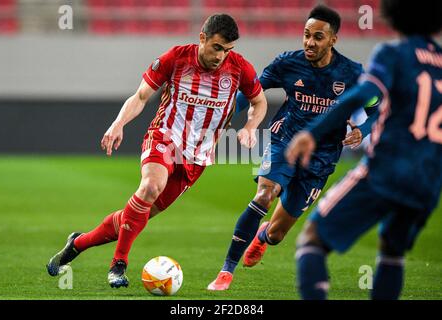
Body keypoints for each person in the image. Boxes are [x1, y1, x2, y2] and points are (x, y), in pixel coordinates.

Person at [46, 13, 268, 288]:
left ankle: (78, 243)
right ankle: (118, 265)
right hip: (164, 137)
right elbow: (141, 96)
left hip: (197, 157)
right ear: (203, 38)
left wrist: (250, 126)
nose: (221, 56)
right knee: (150, 187)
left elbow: (259, 102)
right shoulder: (176, 58)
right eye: (217, 47)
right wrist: (118, 124)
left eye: (227, 50)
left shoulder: (239, 68)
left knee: (137, 215)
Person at [207, 5, 379, 291]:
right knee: (264, 195)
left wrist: (363, 130)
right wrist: (223, 120)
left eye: (318, 37)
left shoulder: (352, 73)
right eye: (306, 35)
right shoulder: (288, 63)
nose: (310, 42)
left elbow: (376, 108)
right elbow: (252, 91)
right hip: (285, 141)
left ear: (333, 40)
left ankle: (262, 238)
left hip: (321, 159)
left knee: (277, 234)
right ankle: (226, 271)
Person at [286, 0, 441, 300]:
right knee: (392, 252)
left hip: (387, 171)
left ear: (392, 17)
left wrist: (312, 133)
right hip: (429, 181)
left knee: (312, 239)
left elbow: (366, 92)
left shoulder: (393, 54)